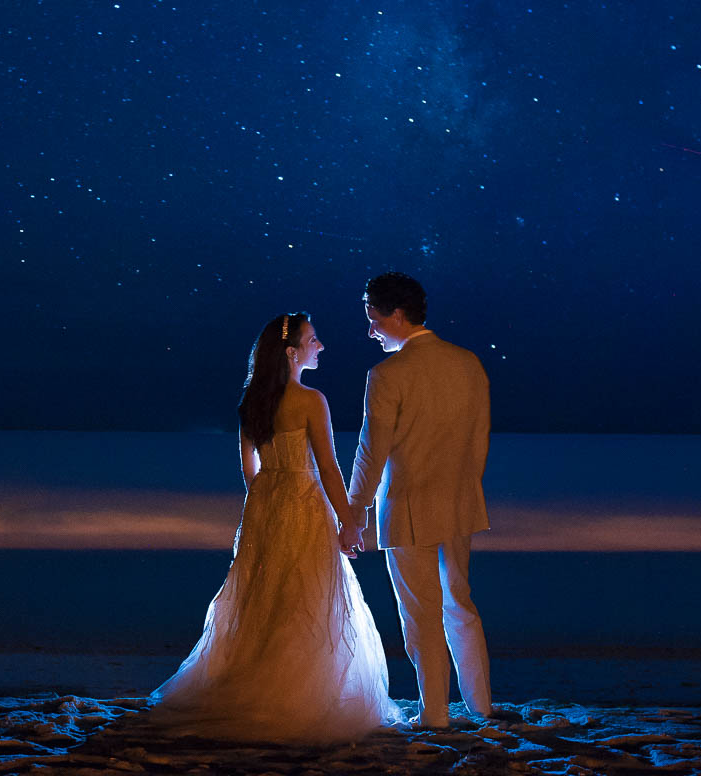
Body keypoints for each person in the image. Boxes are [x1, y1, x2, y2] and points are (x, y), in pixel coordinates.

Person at [150, 312, 401, 743]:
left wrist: (267, 500)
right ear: (292, 352)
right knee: (305, 595)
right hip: (304, 503)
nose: (320, 346)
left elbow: (250, 470)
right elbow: (328, 467)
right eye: (314, 340)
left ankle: (251, 684)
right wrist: (349, 521)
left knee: (265, 597)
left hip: (265, 505)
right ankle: (298, 696)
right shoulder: (310, 400)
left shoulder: (252, 401)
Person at [347, 272, 493, 730]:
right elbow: (479, 440)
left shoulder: (388, 374)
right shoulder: (468, 362)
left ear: (397, 314)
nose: (370, 331)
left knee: (421, 614)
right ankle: (481, 705)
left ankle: (434, 713)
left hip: (409, 506)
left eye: (373, 319)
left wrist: (355, 510)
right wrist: (467, 486)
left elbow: (373, 450)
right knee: (461, 603)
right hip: (461, 502)